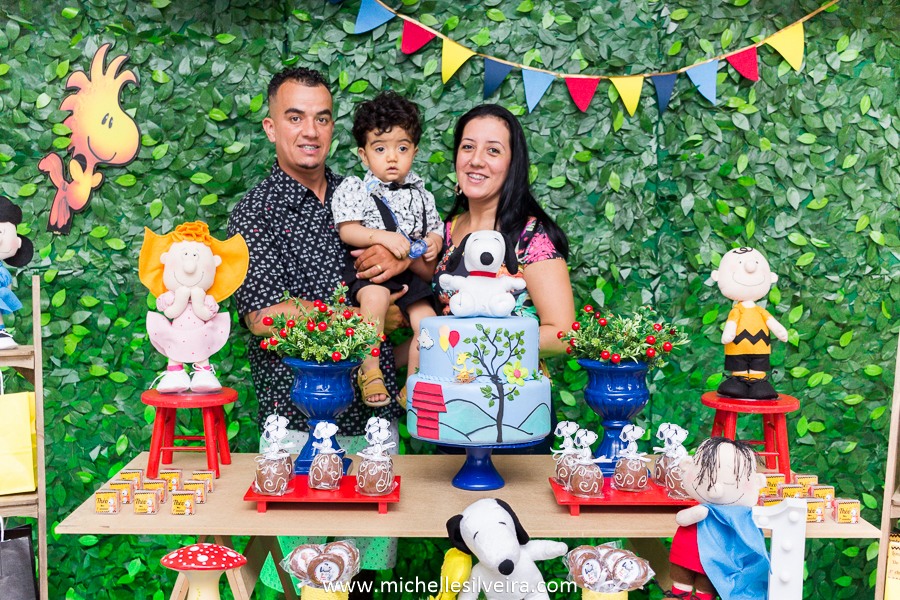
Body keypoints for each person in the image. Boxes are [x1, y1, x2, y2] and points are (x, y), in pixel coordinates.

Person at [226, 66, 402, 599]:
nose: (310, 130)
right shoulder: (253, 212)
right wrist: (368, 321)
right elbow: (263, 316)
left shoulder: (362, 194)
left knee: (367, 577)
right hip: (295, 429)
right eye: (294, 116)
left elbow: (408, 259)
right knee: (308, 581)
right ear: (270, 127)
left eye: (321, 118)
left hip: (374, 423)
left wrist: (398, 267)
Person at [432, 104, 576, 454]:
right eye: (468, 147)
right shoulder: (444, 231)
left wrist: (482, 345)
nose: (476, 160)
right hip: (452, 409)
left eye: (493, 150)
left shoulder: (530, 235)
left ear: (512, 166)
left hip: (513, 410)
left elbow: (564, 334)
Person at [332, 91, 442, 407]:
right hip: (369, 272)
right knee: (375, 300)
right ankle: (371, 371)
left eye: (402, 148)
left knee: (426, 321)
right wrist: (381, 237)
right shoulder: (356, 188)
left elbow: (433, 231)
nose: (391, 157)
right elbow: (348, 230)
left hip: (410, 274)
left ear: (414, 151)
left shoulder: (421, 194)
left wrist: (431, 243)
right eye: (380, 149)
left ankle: (416, 383)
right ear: (364, 156)